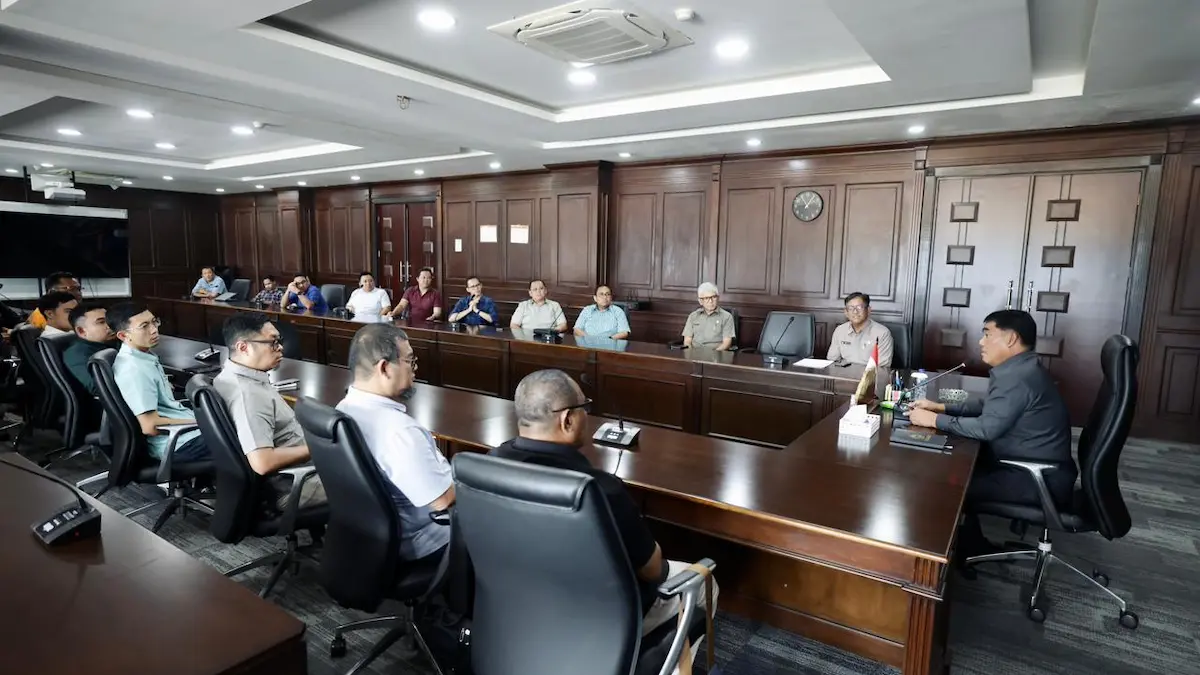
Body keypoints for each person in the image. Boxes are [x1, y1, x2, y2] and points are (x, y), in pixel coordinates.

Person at [493, 369, 717, 663]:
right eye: (585, 408)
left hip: (512, 609)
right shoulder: (598, 489)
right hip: (594, 622)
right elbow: (652, 570)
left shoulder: (488, 465)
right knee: (704, 582)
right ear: (568, 420)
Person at [907, 310, 1074, 557]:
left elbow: (987, 428)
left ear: (1010, 339)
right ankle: (971, 545)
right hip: (1036, 467)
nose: (980, 342)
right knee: (954, 468)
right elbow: (988, 407)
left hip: (1033, 478)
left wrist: (934, 420)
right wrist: (941, 407)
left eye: (987, 334)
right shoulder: (1022, 368)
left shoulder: (1018, 377)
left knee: (943, 485)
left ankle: (933, 557)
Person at [336, 323, 453, 561]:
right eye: (410, 361)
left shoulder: (343, 408)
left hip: (368, 537)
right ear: (385, 367)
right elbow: (441, 502)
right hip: (422, 540)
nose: (414, 369)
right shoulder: (400, 431)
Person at [213, 313, 326, 509]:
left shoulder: (232, 377)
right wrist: (321, 449)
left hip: (302, 471)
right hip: (295, 484)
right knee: (378, 483)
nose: (280, 347)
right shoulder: (248, 394)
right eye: (273, 342)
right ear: (243, 347)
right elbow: (262, 462)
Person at [108, 302, 209, 462]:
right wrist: (203, 422)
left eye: (154, 321)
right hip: (177, 444)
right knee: (245, 442)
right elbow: (150, 426)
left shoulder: (143, 357)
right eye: (144, 326)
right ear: (123, 335)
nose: (154, 329)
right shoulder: (134, 369)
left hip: (186, 431)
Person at [825, 292, 893, 367]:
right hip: (844, 375)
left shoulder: (882, 333)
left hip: (870, 377)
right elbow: (832, 360)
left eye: (859, 307)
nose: (855, 312)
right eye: (851, 308)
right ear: (846, 312)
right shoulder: (840, 330)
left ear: (868, 310)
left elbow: (883, 367)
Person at [63, 304, 116, 396]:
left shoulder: (114, 342)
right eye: (101, 322)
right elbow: (98, 388)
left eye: (109, 320)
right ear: (81, 331)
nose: (109, 325)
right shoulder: (76, 354)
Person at [682, 282, 735, 350]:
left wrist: (713, 356)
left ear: (718, 298)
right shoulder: (693, 316)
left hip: (716, 356)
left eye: (713, 297)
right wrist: (691, 354)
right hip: (694, 355)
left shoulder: (727, 317)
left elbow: (726, 343)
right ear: (700, 301)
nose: (710, 301)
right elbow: (687, 341)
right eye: (707, 298)